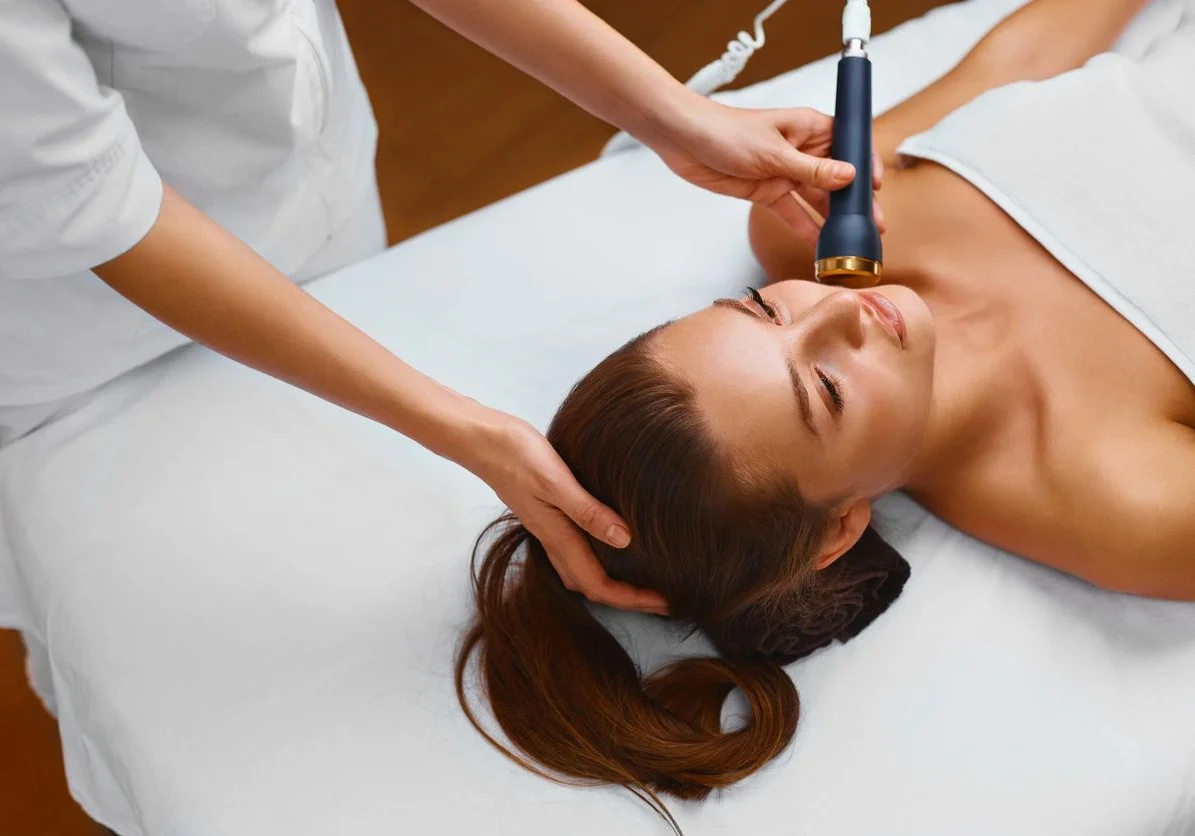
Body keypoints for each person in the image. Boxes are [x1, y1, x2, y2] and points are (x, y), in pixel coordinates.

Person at [456, 0, 1194, 823]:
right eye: (828, 391)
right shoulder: (1122, 501)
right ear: (839, 528)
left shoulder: (804, 234)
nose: (844, 310)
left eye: (761, 311)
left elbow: (1010, 64)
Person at [0, 0, 882, 615]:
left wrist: (672, 114)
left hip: (292, 178)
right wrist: (462, 430)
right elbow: (85, 202)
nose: (847, 309)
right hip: (67, 317)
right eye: (761, 310)